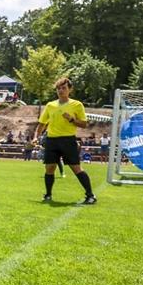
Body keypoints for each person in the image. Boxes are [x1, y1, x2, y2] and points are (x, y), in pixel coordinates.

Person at [35, 76, 96, 204]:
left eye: (63, 88)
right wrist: (36, 137)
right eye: (58, 88)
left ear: (70, 89)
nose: (60, 91)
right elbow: (42, 124)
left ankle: (90, 196)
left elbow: (84, 124)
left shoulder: (77, 105)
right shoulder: (50, 105)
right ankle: (48, 195)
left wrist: (72, 119)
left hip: (68, 140)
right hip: (51, 140)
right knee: (49, 168)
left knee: (76, 168)